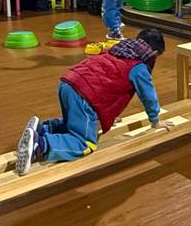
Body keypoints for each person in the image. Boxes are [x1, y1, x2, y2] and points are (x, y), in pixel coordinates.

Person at [15, 28, 173, 175]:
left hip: (69, 81)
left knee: (76, 122)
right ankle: (40, 143)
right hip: (84, 94)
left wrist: (107, 116)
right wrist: (155, 121)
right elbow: (148, 97)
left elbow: (107, 83)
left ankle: (44, 128)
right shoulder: (139, 66)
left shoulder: (116, 49)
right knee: (85, 143)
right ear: (153, 53)